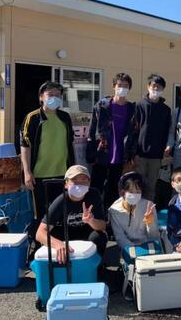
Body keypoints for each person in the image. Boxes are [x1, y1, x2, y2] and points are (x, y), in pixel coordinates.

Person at [21, 81, 75, 219]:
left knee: (61, 213)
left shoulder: (65, 117)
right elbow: (25, 146)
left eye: (58, 95)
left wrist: (73, 170)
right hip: (39, 175)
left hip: (62, 174)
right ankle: (40, 234)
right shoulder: (33, 118)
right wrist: (27, 172)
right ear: (41, 97)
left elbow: (70, 144)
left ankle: (58, 233)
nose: (54, 98)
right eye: (50, 95)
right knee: (41, 214)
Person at [35, 165, 108, 263]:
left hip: (86, 233)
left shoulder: (94, 195)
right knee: (50, 236)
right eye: (75, 180)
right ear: (66, 184)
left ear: (89, 182)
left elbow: (102, 226)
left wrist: (91, 221)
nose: (79, 184)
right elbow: (40, 233)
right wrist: (57, 244)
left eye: (83, 180)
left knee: (100, 237)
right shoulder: (61, 201)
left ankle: (96, 266)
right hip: (64, 234)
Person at [87, 73, 136, 208]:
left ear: (129, 88)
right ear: (114, 86)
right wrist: (91, 153)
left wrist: (131, 156)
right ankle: (93, 214)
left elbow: (134, 134)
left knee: (114, 190)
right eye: (119, 85)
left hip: (121, 156)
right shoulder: (102, 106)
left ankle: (111, 216)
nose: (122, 88)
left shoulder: (132, 109)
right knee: (96, 188)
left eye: (126, 86)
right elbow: (92, 129)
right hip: (102, 153)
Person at [128, 74, 172, 201]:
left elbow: (167, 130)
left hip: (157, 156)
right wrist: (134, 153)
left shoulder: (166, 109)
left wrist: (167, 148)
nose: (156, 89)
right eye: (154, 86)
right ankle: (136, 208)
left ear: (163, 89)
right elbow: (133, 131)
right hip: (140, 155)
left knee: (151, 186)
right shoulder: (139, 106)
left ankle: (149, 210)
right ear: (148, 87)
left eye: (159, 87)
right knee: (138, 185)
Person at [108, 172, 160, 253]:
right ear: (123, 193)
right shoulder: (114, 210)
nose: (135, 195)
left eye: (138, 192)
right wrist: (134, 250)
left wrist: (150, 223)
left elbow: (154, 236)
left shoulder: (149, 206)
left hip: (147, 245)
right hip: (127, 247)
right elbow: (120, 237)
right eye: (131, 192)